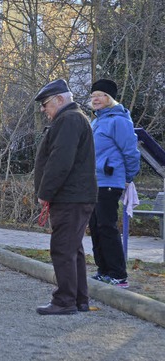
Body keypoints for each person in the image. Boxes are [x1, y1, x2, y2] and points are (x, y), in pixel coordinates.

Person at [33, 79, 97, 315]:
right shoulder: (73, 118)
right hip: (75, 196)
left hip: (70, 197)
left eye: (46, 104)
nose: (43, 109)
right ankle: (79, 299)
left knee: (62, 248)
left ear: (60, 99)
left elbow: (60, 161)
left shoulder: (69, 119)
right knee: (72, 249)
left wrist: (45, 193)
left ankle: (64, 301)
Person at [88, 79, 141, 288]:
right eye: (92, 97)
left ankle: (119, 274)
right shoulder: (97, 121)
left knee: (106, 226)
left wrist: (128, 178)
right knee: (95, 225)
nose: (95, 99)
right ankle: (103, 270)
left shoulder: (119, 120)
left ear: (109, 98)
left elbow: (131, 152)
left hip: (111, 181)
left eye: (99, 95)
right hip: (95, 182)